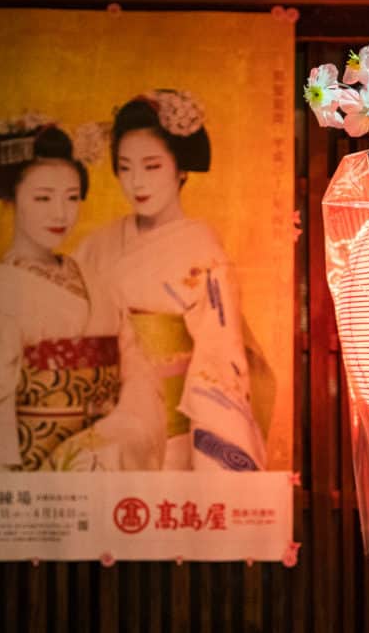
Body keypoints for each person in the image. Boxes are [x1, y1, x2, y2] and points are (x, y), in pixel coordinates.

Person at [67, 90, 272, 471]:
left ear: (180, 168)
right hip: (99, 428)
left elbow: (217, 359)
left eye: (151, 166)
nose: (136, 182)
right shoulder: (95, 247)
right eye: (125, 168)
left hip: (171, 440)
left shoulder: (201, 250)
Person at [0, 117, 128, 471]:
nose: (60, 213)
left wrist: (118, 431)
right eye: (43, 198)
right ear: (13, 197)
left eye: (72, 198)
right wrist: (58, 443)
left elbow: (135, 373)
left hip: (106, 455)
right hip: (37, 468)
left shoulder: (93, 280)